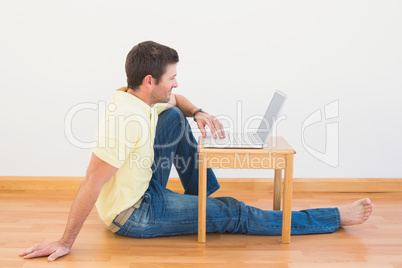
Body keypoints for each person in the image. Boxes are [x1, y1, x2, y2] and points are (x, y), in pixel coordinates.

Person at [19, 41, 374, 262]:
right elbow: (90, 184)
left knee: (174, 116)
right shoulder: (124, 122)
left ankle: (203, 200)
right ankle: (332, 217)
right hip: (135, 214)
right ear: (150, 81)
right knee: (234, 212)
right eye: (171, 77)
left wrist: (199, 112)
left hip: (144, 187)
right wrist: (65, 241)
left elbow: (178, 101)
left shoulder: (136, 96)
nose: (176, 83)